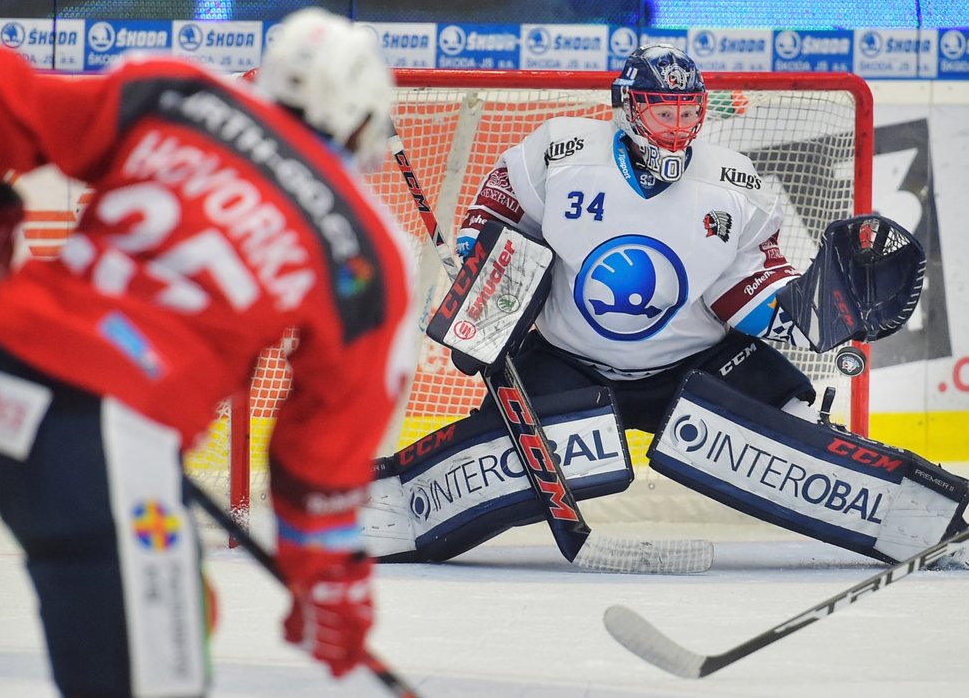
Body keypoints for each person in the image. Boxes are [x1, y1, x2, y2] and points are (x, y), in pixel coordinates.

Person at [0, 7, 414, 696]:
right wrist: (328, 579)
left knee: (174, 613)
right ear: (363, 118)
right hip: (103, 436)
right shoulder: (367, 248)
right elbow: (322, 446)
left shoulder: (177, 92)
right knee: (157, 671)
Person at [360, 44, 969, 569]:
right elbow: (495, 218)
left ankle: (934, 517)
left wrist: (815, 315)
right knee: (485, 459)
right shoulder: (562, 152)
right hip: (566, 361)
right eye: (661, 109)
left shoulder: (733, 185)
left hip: (697, 363)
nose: (677, 125)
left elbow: (746, 297)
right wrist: (479, 274)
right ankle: (371, 511)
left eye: (688, 111)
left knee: (797, 431)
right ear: (629, 108)